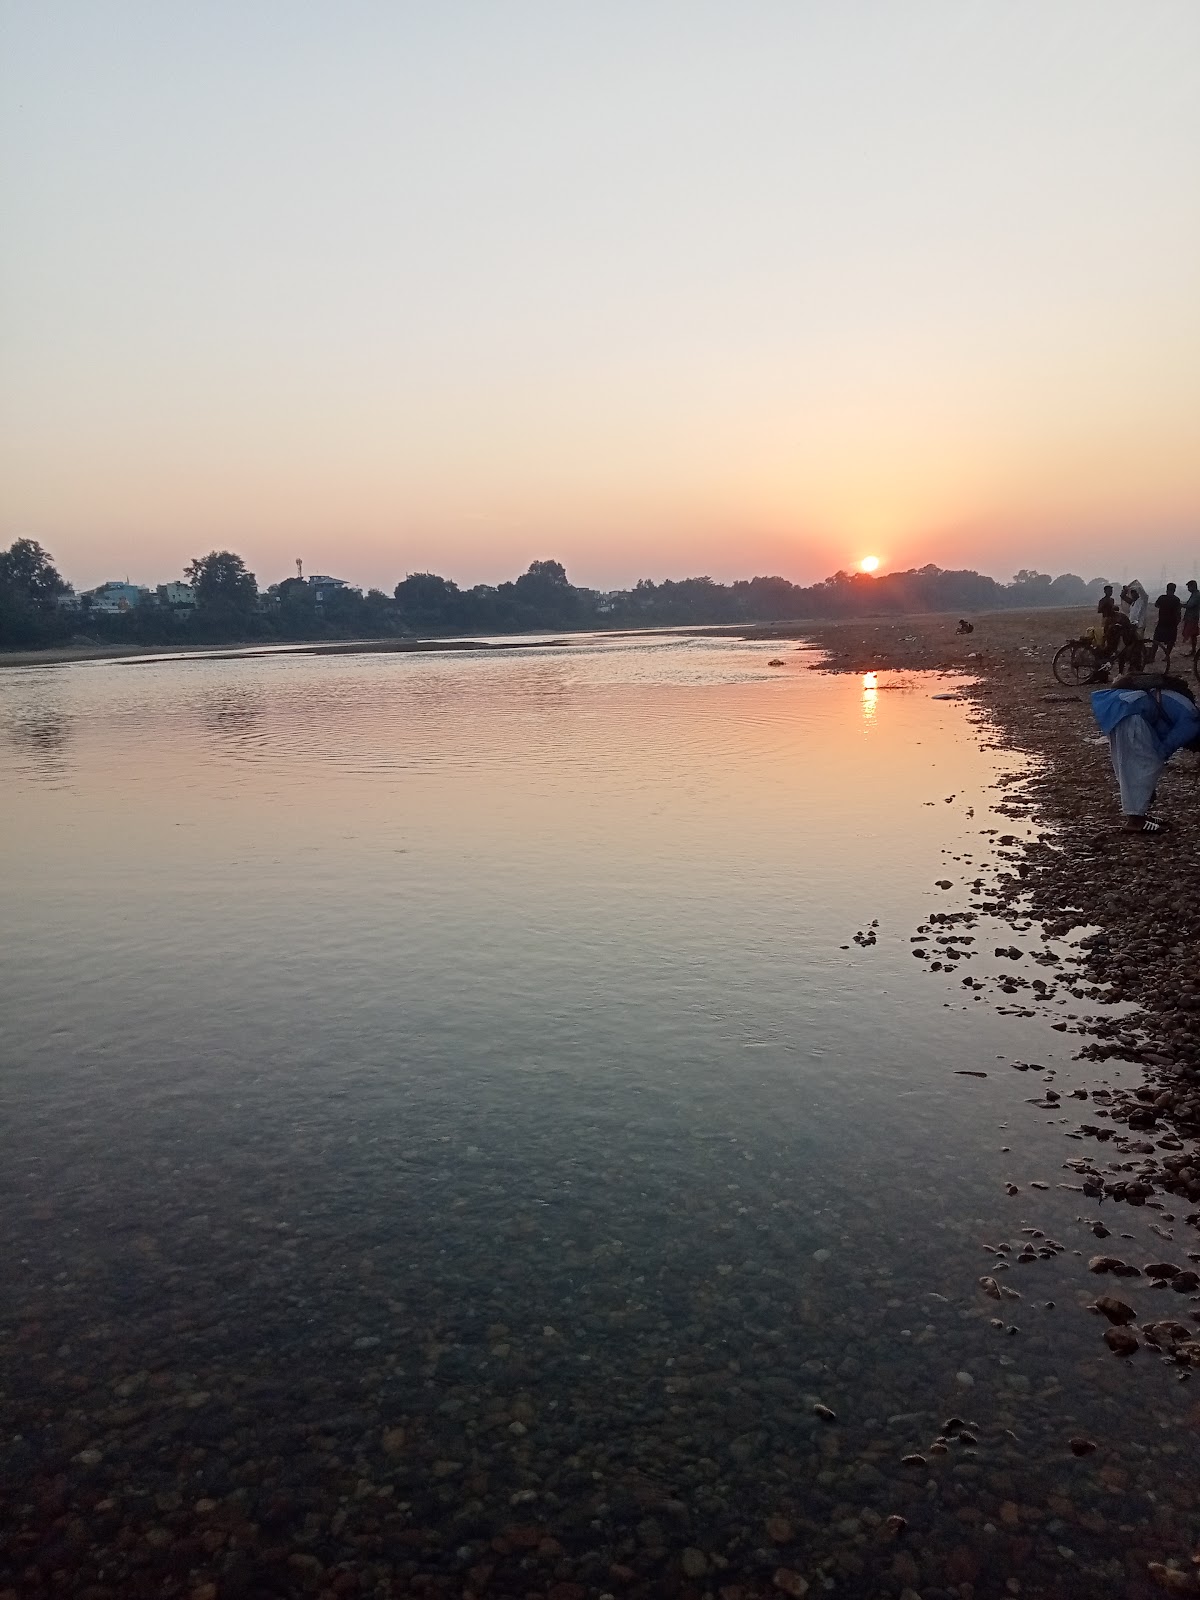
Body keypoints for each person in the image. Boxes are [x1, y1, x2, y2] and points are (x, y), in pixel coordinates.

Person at [1091, 672, 1200, 833]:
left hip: (1122, 707)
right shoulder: (1192, 722)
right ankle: (1135, 820)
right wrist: (1149, 784)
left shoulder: (1188, 706)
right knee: (1148, 762)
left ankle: (1139, 813)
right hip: (1131, 714)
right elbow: (1165, 749)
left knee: (1129, 763)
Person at [1150, 582, 1182, 671]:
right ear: (1174, 590)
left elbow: (1156, 605)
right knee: (1170, 641)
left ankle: (1152, 657)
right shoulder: (1176, 599)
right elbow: (1178, 611)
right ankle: (1167, 656)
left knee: (1156, 640)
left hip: (1162, 622)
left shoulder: (1162, 598)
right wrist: (1177, 621)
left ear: (1166, 589)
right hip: (1172, 623)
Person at [1183, 579, 1200, 663]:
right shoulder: (1194, 594)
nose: (1188, 589)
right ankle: (1193, 651)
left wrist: (1181, 605)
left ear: (1193, 587)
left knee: (1192, 634)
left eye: (1189, 587)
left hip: (1192, 617)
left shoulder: (1196, 595)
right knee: (1193, 635)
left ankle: (1194, 651)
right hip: (1192, 617)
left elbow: (1190, 605)